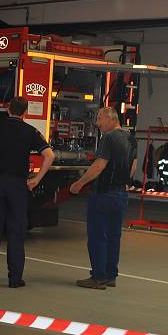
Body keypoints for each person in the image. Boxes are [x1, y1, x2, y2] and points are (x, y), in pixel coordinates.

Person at [0, 96, 55, 288]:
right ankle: (15, 278)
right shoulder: (30, 131)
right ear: (25, 113)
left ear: (8, 109)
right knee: (16, 232)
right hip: (18, 186)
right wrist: (36, 179)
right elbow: (49, 155)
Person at [69, 107, 134, 289]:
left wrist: (79, 183)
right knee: (114, 236)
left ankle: (98, 277)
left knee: (98, 236)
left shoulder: (109, 138)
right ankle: (111, 275)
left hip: (104, 194)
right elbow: (133, 167)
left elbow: (99, 166)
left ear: (109, 118)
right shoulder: (131, 139)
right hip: (121, 194)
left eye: (99, 119)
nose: (97, 124)